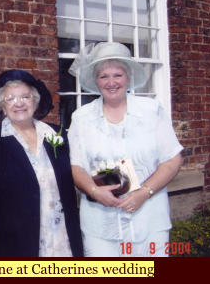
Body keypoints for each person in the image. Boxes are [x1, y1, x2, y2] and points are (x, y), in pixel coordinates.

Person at [67, 42, 183, 257]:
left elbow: (172, 159)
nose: (111, 82)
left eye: (117, 75)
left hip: (149, 219)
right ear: (96, 80)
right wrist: (94, 191)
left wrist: (144, 193)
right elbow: (76, 165)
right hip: (100, 223)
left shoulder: (151, 110)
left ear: (128, 77)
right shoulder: (81, 118)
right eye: (104, 76)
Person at [0, 69, 83, 257]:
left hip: (63, 239)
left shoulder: (56, 134)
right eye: (10, 98)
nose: (19, 103)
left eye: (25, 96)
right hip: (18, 245)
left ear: (35, 100)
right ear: (2, 105)